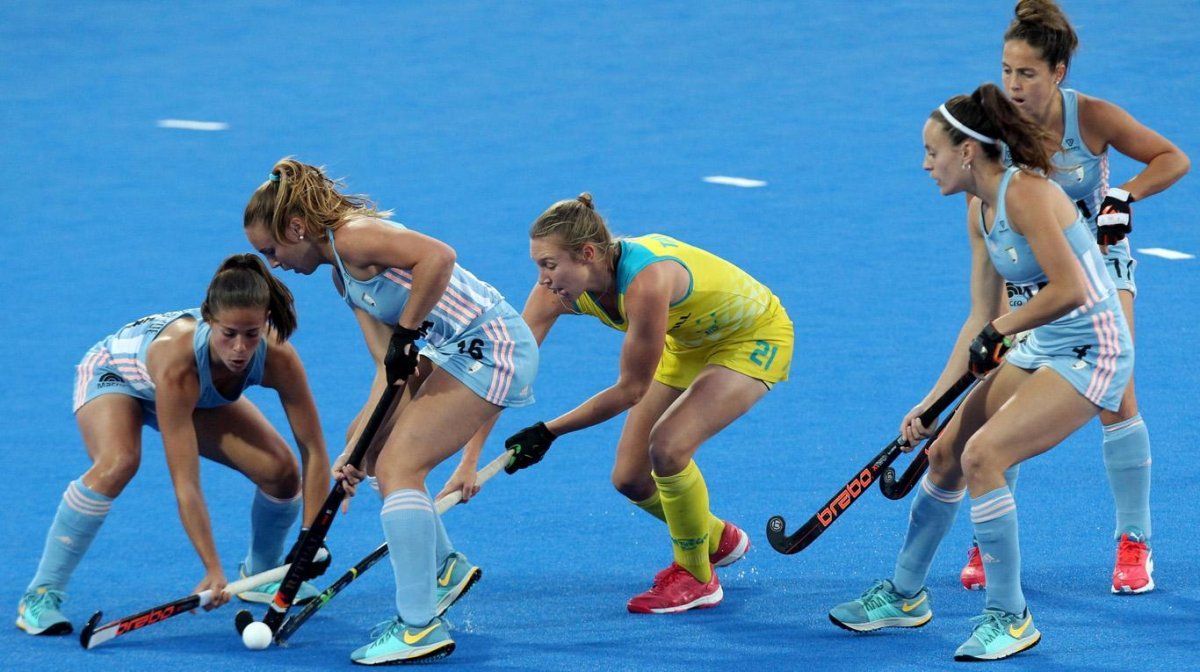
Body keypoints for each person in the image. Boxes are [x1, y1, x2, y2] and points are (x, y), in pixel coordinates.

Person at [827, 84, 1133, 661]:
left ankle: (1011, 617)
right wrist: (931, 402)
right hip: (1040, 346)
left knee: (983, 456)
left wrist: (1004, 327)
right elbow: (980, 318)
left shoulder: (1029, 196)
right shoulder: (979, 210)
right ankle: (905, 595)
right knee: (944, 451)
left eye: (932, 151)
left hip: (1094, 351)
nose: (925, 164)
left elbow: (1070, 290)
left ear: (966, 152)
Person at [243, 158, 538, 665]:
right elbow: (391, 369)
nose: (273, 264)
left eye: (271, 251)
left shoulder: (354, 237)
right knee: (375, 453)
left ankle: (418, 627)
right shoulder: (343, 277)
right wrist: (357, 448)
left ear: (296, 228)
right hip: (458, 352)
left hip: (493, 347)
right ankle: (444, 568)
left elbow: (439, 257)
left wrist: (407, 330)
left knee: (401, 466)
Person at [958, 0, 1190, 595]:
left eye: (1027, 73)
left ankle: (1134, 541)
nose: (1013, 85)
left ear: (1058, 72)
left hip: (1102, 269)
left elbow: (1173, 158)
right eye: (1007, 70)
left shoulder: (1091, 117)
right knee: (1004, 405)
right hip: (1032, 281)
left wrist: (1126, 195)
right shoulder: (998, 129)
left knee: (1119, 395)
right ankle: (988, 535)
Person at [502, 193, 792, 614]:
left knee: (668, 448)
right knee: (631, 478)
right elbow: (507, 366)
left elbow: (630, 390)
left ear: (587, 254)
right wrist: (466, 460)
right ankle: (715, 538)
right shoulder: (559, 289)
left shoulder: (646, 283)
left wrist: (548, 432)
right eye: (538, 266)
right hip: (689, 342)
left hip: (750, 336)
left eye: (549, 264)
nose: (543, 279)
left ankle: (696, 576)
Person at [17, 254, 330, 636]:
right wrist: (212, 567)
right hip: (115, 376)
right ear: (209, 319)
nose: (239, 348)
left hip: (191, 395)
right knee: (119, 462)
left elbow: (313, 450)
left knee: (281, 472)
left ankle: (261, 573)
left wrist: (311, 537)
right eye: (228, 333)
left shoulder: (278, 357)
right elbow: (186, 483)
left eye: (251, 334)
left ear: (265, 321)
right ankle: (40, 594)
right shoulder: (178, 364)